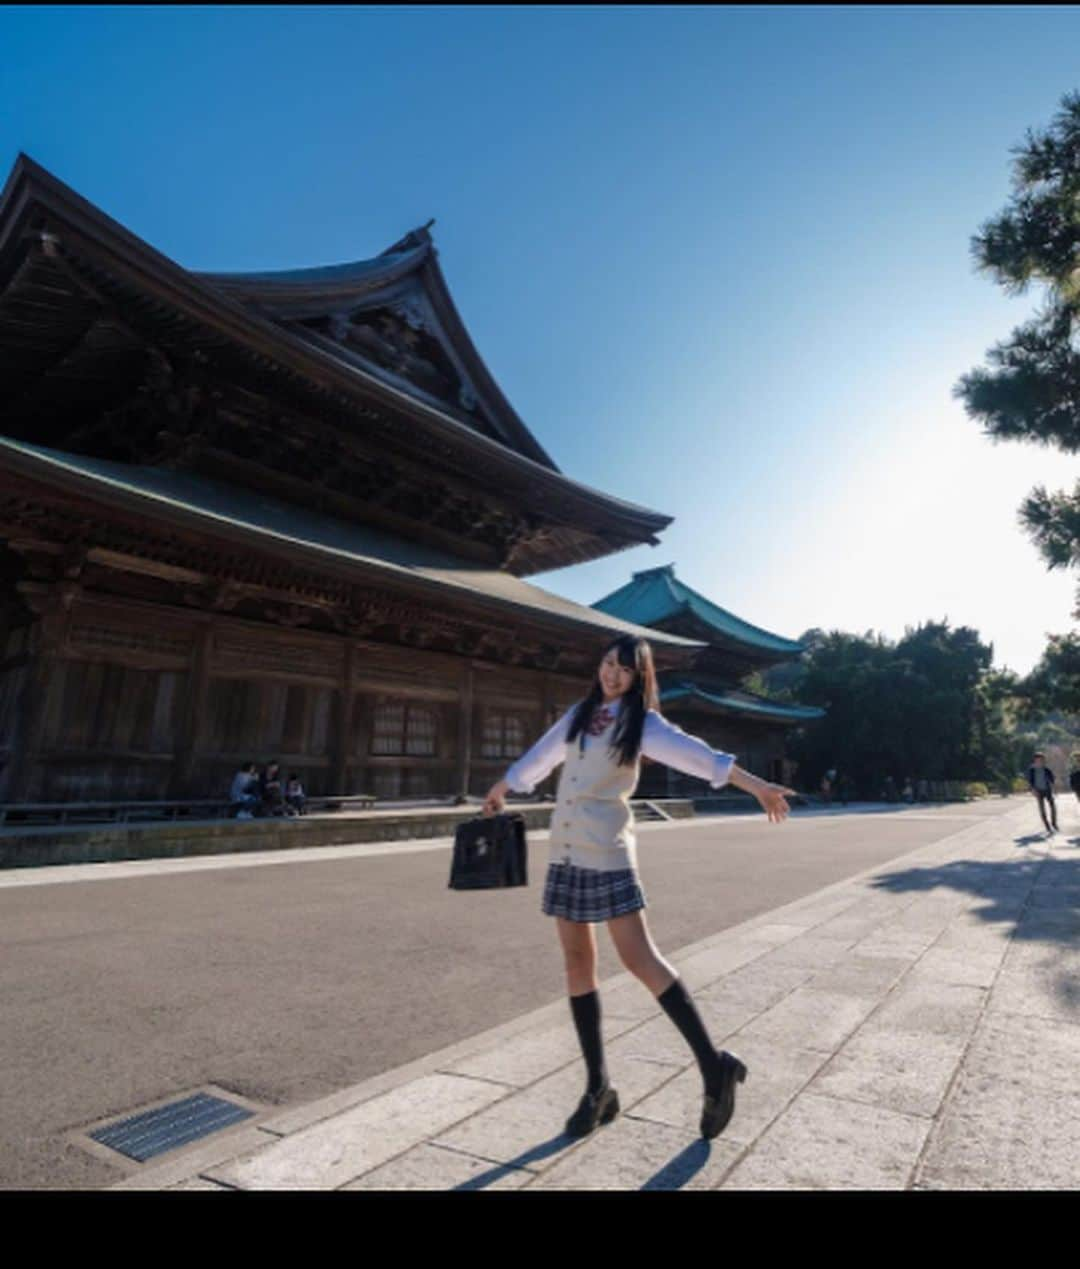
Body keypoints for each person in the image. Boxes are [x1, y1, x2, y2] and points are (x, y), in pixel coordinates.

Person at [483, 634, 796, 1143]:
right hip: (565, 851)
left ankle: (714, 1065)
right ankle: (598, 1088)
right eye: (608, 662)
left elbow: (700, 756)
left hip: (606, 852)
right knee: (576, 964)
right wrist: (506, 784)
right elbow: (542, 757)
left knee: (639, 959)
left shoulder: (643, 725)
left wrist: (757, 785)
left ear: (638, 679)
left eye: (624, 670)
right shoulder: (580, 714)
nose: (612, 674)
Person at [1027, 751, 1058, 834]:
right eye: (1037, 760)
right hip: (1038, 791)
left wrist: (1054, 788)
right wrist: (1032, 790)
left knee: (1053, 807)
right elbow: (1030, 781)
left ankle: (1054, 823)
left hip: (1047, 790)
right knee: (1042, 809)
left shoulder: (1046, 769)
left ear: (1043, 760)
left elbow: (1052, 780)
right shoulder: (1031, 770)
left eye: (1041, 759)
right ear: (1034, 760)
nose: (1039, 761)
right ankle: (1047, 825)